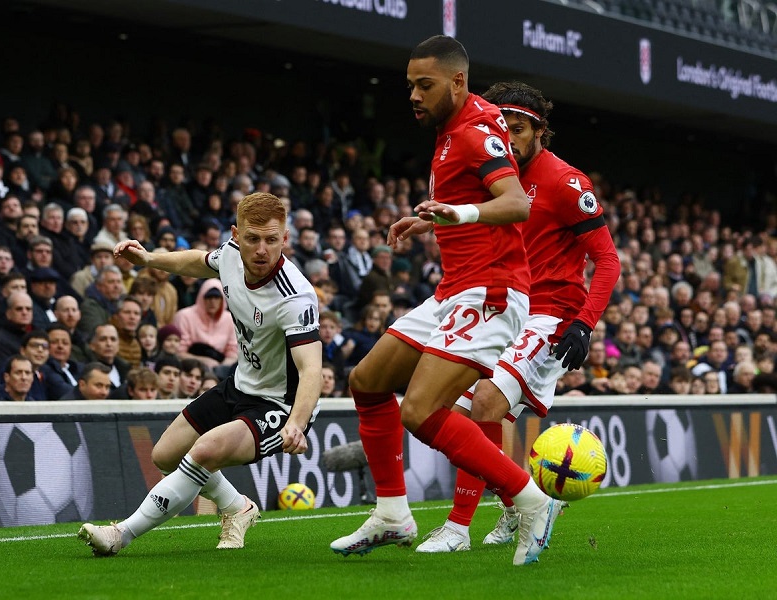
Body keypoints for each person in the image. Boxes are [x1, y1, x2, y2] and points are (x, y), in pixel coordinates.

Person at [329, 37, 557, 566]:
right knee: (367, 380)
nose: (413, 94)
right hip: (455, 288)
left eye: (424, 85)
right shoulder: (454, 127)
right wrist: (434, 215)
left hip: (491, 291)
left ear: (457, 81)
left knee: (420, 408)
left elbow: (516, 203)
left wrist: (462, 215)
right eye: (409, 84)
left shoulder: (475, 133)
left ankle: (530, 501)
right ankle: (391, 513)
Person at [415, 81, 620, 552]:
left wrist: (585, 323)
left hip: (550, 314)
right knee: (456, 411)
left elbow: (607, 260)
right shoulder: (493, 174)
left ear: (540, 132)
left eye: (520, 128)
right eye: (502, 126)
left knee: (484, 404)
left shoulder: (568, 183)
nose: (509, 136)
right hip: (503, 303)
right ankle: (517, 505)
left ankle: (457, 528)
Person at [78, 191, 322, 556]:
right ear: (236, 235)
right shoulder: (230, 256)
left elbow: (312, 370)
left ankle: (120, 534)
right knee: (164, 455)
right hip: (241, 386)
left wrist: (297, 423)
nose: (261, 250)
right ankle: (238, 507)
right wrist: (148, 259)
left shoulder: (294, 297)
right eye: (252, 238)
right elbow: (197, 261)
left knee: (203, 450)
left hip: (281, 404)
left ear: (285, 238)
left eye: (271, 240)